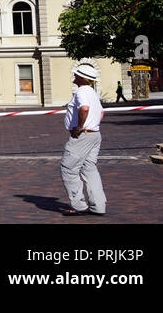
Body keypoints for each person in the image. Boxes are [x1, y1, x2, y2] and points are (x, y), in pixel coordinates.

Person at [60, 62, 106, 216]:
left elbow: (84, 108)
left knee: (68, 168)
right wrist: (92, 125)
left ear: (82, 77)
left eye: (76, 74)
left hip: (83, 136)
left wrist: (80, 127)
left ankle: (79, 206)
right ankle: (98, 206)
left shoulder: (82, 91)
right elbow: (101, 113)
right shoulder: (92, 92)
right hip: (94, 134)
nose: (74, 75)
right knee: (89, 169)